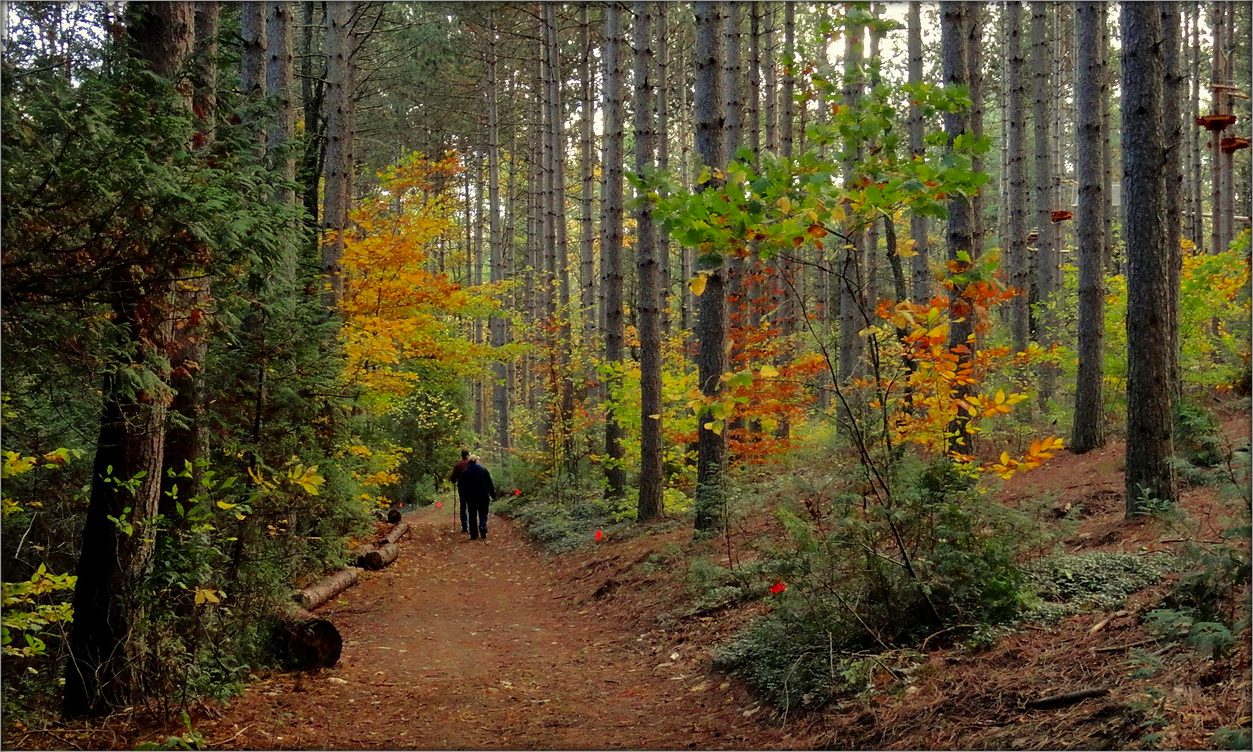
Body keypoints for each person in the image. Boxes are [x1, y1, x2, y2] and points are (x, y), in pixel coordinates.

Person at [456, 455, 496, 540]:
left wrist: (463, 496)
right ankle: (482, 526)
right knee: (483, 512)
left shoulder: (465, 472)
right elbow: (489, 484)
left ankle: (474, 534)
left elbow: (461, 486)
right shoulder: (483, 470)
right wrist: (493, 495)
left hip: (471, 497)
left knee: (472, 515)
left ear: (469, 461)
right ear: (477, 461)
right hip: (483, 496)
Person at [448, 450, 471, 533]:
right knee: (471, 505)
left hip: (462, 488)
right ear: (468, 455)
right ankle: (472, 525)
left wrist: (454, 480)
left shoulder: (458, 465)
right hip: (472, 487)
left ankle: (465, 527)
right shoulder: (471, 463)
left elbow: (453, 478)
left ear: (461, 455)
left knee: (463, 506)